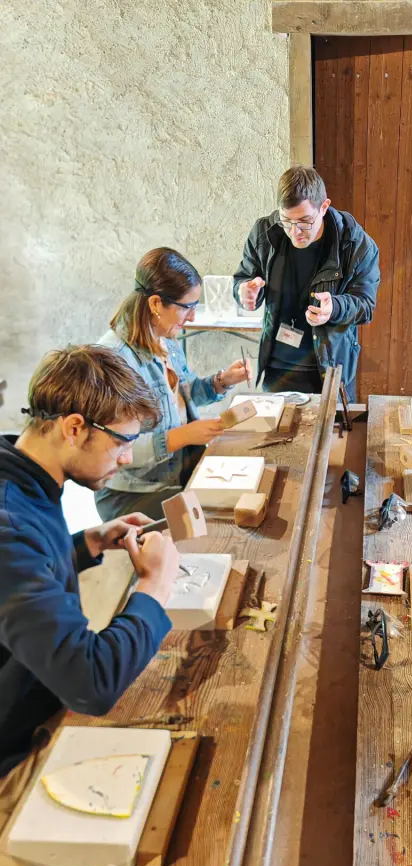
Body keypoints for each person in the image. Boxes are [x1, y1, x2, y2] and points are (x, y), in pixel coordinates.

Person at [0, 346, 180, 817]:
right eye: (122, 442)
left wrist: (88, 543)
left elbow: (25, 571)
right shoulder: (9, 528)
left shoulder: (21, 476)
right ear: (74, 427)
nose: (126, 459)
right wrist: (154, 589)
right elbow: (91, 683)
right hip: (11, 750)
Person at [96, 247, 250, 521]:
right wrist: (184, 435)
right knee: (218, 518)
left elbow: (188, 394)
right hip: (134, 493)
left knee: (246, 490)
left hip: (177, 469)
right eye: (187, 307)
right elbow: (112, 449)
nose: (192, 317)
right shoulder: (114, 360)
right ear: (156, 304)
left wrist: (222, 381)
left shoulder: (165, 338)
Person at [233, 165, 380, 402]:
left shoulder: (355, 243)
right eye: (286, 221)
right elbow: (244, 278)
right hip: (276, 369)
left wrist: (335, 308)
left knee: (332, 438)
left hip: (329, 371)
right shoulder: (264, 233)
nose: (295, 231)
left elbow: (365, 306)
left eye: (304, 221)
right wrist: (245, 293)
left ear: (324, 207)